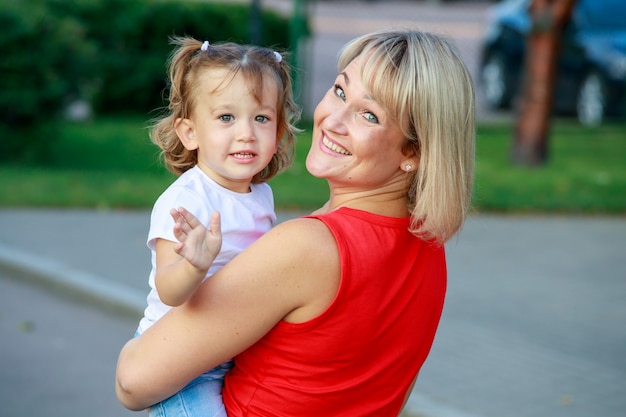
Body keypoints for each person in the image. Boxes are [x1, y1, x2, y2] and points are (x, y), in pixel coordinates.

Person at [116, 28, 475, 416]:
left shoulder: (308, 248)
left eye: (369, 114)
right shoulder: (429, 252)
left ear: (414, 152)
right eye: (340, 91)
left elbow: (133, 382)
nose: (333, 120)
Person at [133, 36, 299, 417]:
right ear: (189, 133)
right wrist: (194, 265)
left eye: (261, 118)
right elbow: (169, 291)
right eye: (226, 117)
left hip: (230, 353)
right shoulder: (186, 201)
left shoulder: (261, 196)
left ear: (278, 131)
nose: (246, 133)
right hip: (180, 362)